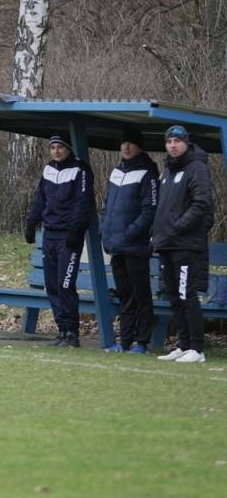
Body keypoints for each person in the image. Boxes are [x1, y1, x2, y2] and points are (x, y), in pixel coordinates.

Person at [25, 134, 95, 348]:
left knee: (65, 285)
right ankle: (62, 330)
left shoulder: (80, 170)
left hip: (68, 236)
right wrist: (31, 223)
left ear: (68, 149)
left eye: (60, 147)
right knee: (52, 285)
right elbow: (40, 199)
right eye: (53, 147)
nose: (56, 151)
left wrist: (76, 231)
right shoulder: (48, 170)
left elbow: (84, 203)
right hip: (49, 234)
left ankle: (72, 332)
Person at [154, 125, 214, 364]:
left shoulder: (196, 168)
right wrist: (156, 234)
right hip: (167, 244)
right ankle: (183, 344)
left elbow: (201, 205)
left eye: (177, 141)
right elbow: (163, 209)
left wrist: (176, 228)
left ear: (186, 143)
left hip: (186, 245)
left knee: (185, 294)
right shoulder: (168, 170)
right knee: (173, 296)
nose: (172, 145)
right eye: (169, 141)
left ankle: (197, 349)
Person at [99, 127, 158, 354]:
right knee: (124, 294)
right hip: (116, 246)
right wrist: (104, 230)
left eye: (131, 143)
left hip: (135, 246)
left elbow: (149, 212)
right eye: (123, 143)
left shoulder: (148, 173)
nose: (126, 147)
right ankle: (124, 341)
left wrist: (129, 233)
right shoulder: (116, 172)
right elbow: (106, 206)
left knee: (140, 294)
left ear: (139, 146)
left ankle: (141, 342)